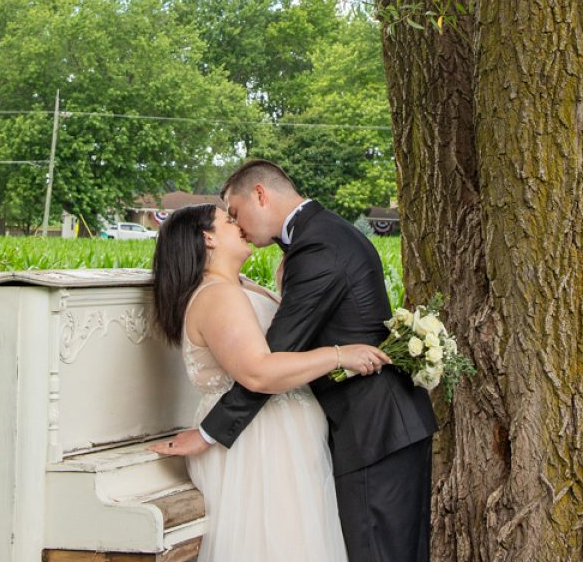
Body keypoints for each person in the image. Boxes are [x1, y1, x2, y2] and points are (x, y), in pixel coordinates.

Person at [160, 160, 439, 562]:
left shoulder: (317, 245)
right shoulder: (315, 237)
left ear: (260, 194)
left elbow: (273, 357)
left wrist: (209, 433)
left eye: (236, 213)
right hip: (356, 431)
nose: (239, 227)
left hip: (372, 429)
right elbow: (266, 362)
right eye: (229, 221)